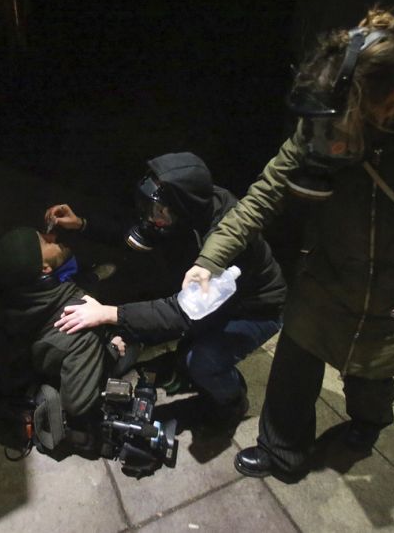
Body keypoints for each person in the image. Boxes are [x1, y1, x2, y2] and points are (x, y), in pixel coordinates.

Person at [182, 8, 394, 480]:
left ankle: (369, 423)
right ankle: (283, 451)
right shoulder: (325, 116)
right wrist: (210, 258)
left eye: (346, 128)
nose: (331, 141)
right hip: (324, 277)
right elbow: (266, 192)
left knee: (370, 376)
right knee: (294, 369)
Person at [44, 152, 287, 426]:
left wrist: (108, 314)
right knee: (179, 340)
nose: (152, 217)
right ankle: (186, 360)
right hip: (216, 299)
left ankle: (233, 400)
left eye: (158, 211)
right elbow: (133, 234)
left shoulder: (225, 242)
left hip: (255, 309)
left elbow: (182, 312)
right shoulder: (184, 209)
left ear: (182, 206)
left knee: (201, 361)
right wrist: (82, 224)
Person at [0, 227, 132, 431]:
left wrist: (80, 224)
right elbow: (77, 405)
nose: (53, 237)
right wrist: (111, 351)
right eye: (45, 242)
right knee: (131, 345)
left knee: (83, 280)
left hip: (29, 352)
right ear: (44, 268)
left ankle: (92, 278)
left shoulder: (10, 291)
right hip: (52, 360)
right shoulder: (78, 321)